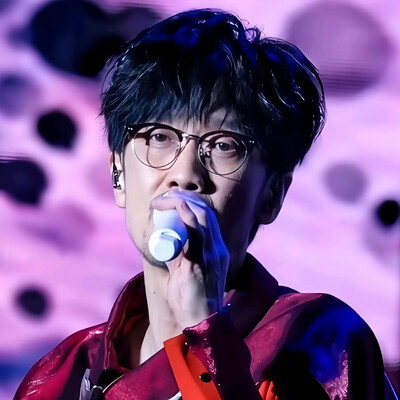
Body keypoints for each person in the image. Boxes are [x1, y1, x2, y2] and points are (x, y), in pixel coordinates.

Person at [14, 9, 397, 400]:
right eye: (159, 137)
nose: (185, 174)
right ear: (118, 174)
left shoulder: (320, 344)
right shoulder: (61, 374)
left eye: (224, 145)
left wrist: (205, 329)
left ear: (271, 195)